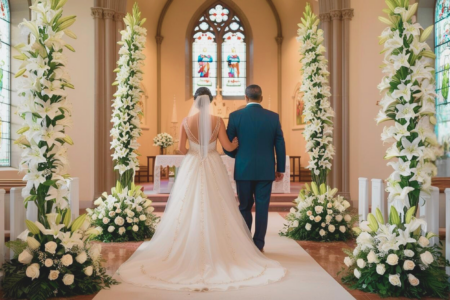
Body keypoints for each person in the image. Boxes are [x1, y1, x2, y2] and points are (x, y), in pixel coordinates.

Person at [117, 87, 286, 292]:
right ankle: (254, 244)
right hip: (218, 164)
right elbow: (228, 147)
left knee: (189, 204)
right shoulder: (218, 121)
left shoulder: (186, 122)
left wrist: (194, 153)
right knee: (222, 203)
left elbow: (180, 148)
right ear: (212, 101)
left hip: (194, 164)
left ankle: (188, 246)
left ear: (196, 101)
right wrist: (234, 145)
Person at [224, 84, 286, 252]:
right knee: (262, 207)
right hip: (266, 170)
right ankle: (259, 245)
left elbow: (227, 145)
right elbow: (280, 143)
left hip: (243, 169)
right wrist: (280, 168)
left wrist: (237, 156)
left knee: (244, 206)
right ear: (262, 98)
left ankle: (245, 244)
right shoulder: (273, 117)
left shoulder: (235, 116)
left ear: (245, 97)